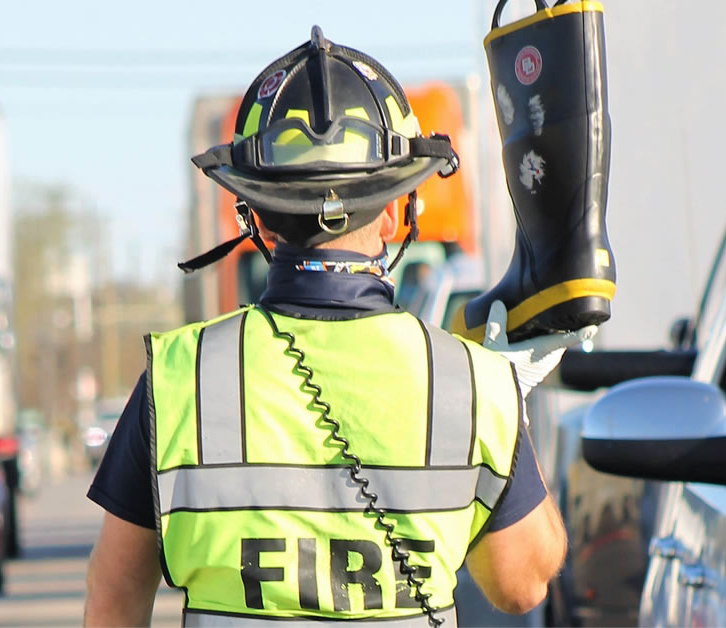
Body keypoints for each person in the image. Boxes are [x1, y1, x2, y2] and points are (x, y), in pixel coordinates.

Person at [84, 27, 596, 627]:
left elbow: (115, 594)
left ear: (259, 217)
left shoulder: (179, 379)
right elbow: (522, 583)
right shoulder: (472, 386)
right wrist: (512, 412)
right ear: (399, 214)